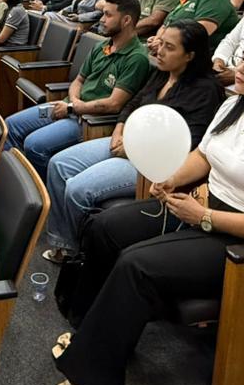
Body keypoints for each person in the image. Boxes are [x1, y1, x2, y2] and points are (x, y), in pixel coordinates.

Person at [50, 33, 244, 385]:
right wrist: (173, 178)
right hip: (207, 211)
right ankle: (91, 335)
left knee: (138, 265)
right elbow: (205, 154)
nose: (241, 68)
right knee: (105, 227)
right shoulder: (235, 107)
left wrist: (205, 217)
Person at [42, 20, 222, 264]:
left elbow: (190, 143)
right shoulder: (162, 72)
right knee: (58, 164)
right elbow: (133, 103)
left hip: (154, 163)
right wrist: (119, 129)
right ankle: (64, 242)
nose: (159, 51)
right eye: (160, 43)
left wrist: (134, 147)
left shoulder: (206, 90)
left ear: (190, 55)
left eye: (169, 47)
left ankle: (81, 255)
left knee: (77, 189)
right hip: (126, 142)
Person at [3, 0, 152, 178]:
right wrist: (72, 103)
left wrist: (74, 108)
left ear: (127, 20)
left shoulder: (136, 58)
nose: (102, 20)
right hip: (70, 107)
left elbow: (114, 104)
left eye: (108, 15)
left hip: (90, 121)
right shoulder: (102, 46)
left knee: (34, 145)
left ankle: (42, 195)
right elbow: (79, 80)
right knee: (11, 125)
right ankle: (14, 180)